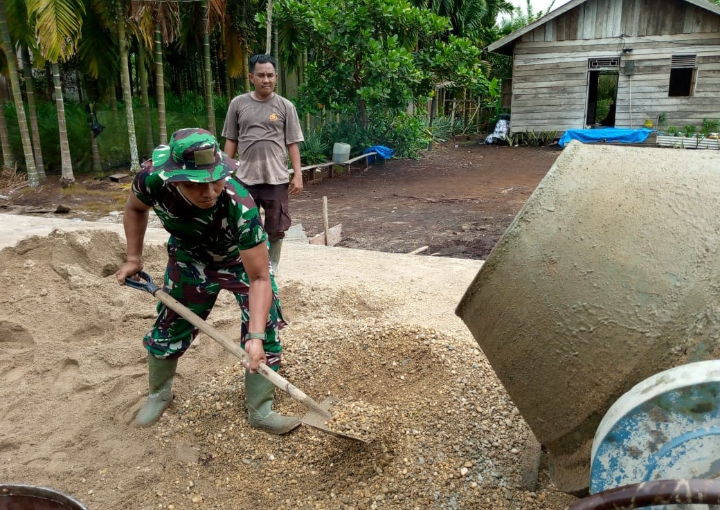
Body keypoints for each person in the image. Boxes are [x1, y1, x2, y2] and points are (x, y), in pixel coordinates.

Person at [114, 127, 300, 435]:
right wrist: (134, 259)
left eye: (215, 178)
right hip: (190, 258)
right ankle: (159, 394)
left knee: (264, 330)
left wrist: (253, 337)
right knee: (170, 326)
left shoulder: (240, 204)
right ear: (173, 178)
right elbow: (135, 209)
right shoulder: (152, 180)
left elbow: (259, 278)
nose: (210, 191)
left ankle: (261, 409)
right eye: (195, 183)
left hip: (240, 262)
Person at [222, 54, 304, 275]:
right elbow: (231, 139)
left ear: (276, 77)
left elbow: (293, 143)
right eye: (261, 75)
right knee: (244, 224)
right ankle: (247, 264)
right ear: (251, 77)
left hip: (276, 177)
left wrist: (297, 174)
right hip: (245, 178)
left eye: (270, 75)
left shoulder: (285, 106)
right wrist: (224, 174)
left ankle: (272, 265)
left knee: (276, 227)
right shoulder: (238, 104)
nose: (266, 80)